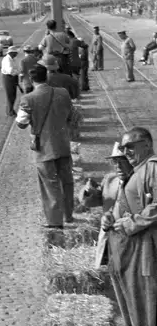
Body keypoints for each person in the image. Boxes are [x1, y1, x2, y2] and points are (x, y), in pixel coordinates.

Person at [101, 127, 157, 326]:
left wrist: (131, 223)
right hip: (125, 250)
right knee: (132, 302)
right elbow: (124, 205)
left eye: (131, 146)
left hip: (143, 250)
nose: (126, 152)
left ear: (147, 144)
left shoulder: (152, 167)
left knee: (145, 300)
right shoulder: (134, 172)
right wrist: (109, 217)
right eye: (124, 148)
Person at [15, 64, 75, 228]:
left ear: (31, 79)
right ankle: (69, 215)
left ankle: (55, 222)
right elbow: (71, 115)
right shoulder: (63, 93)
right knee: (67, 181)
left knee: (50, 184)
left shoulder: (28, 99)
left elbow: (21, 123)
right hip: (63, 144)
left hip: (44, 149)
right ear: (46, 76)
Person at [79, 142, 133, 212]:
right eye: (115, 161)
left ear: (132, 162)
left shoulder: (140, 182)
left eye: (123, 161)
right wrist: (88, 191)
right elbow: (91, 202)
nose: (118, 166)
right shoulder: (110, 179)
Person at [1, 45, 21, 117]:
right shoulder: (7, 60)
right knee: (10, 95)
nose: (17, 54)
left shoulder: (13, 59)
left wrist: (16, 71)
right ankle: (10, 111)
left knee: (13, 95)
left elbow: (17, 68)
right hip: (8, 78)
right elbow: (10, 71)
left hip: (13, 77)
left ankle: (11, 109)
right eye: (15, 52)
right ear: (11, 53)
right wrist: (17, 72)